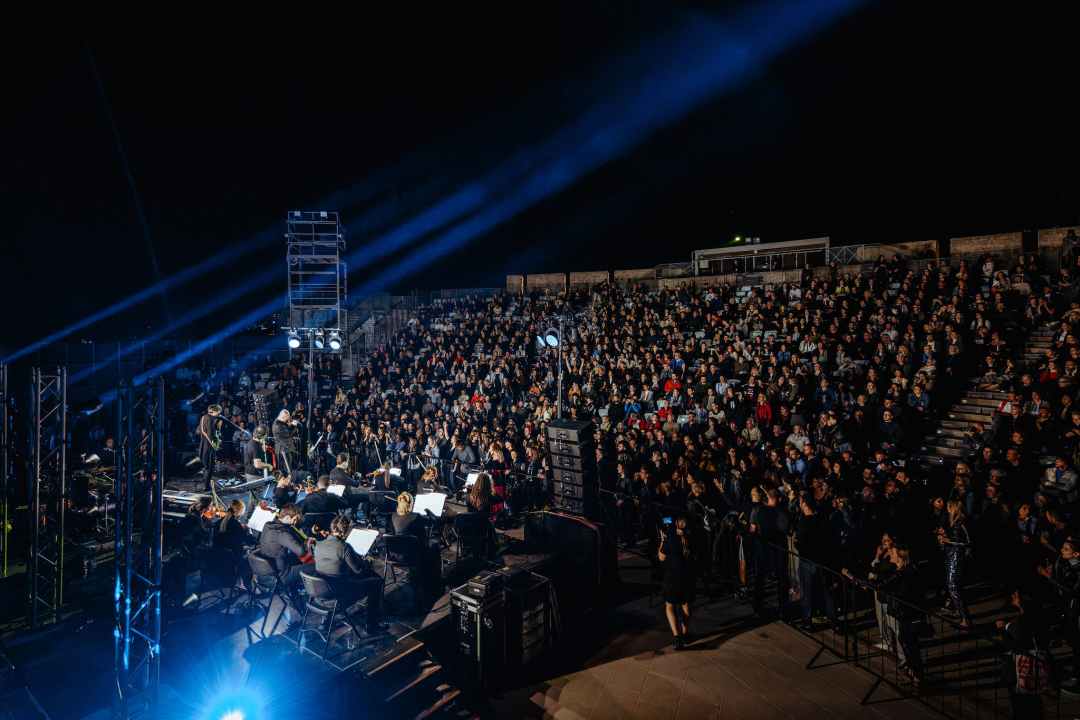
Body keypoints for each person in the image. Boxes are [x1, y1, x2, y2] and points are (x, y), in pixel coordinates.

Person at [844, 544, 925, 694]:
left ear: (900, 559)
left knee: (912, 646)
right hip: (907, 615)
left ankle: (918, 680)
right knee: (903, 639)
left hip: (911, 616)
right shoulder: (904, 571)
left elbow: (879, 584)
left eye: (892, 554)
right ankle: (912, 672)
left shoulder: (903, 574)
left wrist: (854, 578)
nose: (890, 555)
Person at [311, 515, 389, 634]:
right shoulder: (344, 547)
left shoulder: (319, 545)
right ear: (347, 530)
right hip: (339, 597)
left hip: (319, 595)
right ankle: (371, 625)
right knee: (376, 583)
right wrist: (368, 560)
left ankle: (326, 622)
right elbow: (359, 570)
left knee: (331, 575)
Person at [794, 493, 839, 632]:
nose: (800, 505)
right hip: (823, 561)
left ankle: (807, 621)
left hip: (808, 561)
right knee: (827, 592)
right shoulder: (823, 520)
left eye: (801, 503)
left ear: (805, 505)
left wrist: (796, 543)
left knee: (807, 592)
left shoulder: (805, 521)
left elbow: (802, 543)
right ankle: (835, 622)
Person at [659, 515, 694, 650]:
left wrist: (662, 541)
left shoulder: (670, 540)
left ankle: (676, 637)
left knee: (670, 606)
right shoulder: (691, 540)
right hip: (687, 577)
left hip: (672, 578)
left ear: (676, 525)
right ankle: (684, 634)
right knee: (685, 605)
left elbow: (661, 558)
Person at [936, 499, 972, 626]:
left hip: (956, 557)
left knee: (953, 587)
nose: (947, 508)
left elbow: (967, 542)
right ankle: (958, 611)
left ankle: (966, 619)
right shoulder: (954, 522)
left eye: (949, 506)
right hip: (950, 556)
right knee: (951, 585)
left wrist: (947, 540)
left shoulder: (961, 522)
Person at [212, 498, 253, 571]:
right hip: (233, 559)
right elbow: (250, 541)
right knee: (251, 554)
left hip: (218, 557)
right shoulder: (235, 524)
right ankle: (241, 580)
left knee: (246, 548)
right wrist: (249, 530)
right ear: (240, 511)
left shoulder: (219, 522)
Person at [198, 404, 223, 491]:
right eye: (218, 412)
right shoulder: (210, 418)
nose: (219, 414)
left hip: (204, 442)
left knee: (207, 465)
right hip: (209, 444)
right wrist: (217, 440)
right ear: (214, 411)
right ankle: (206, 485)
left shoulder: (203, 417)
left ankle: (205, 484)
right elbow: (210, 433)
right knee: (210, 465)